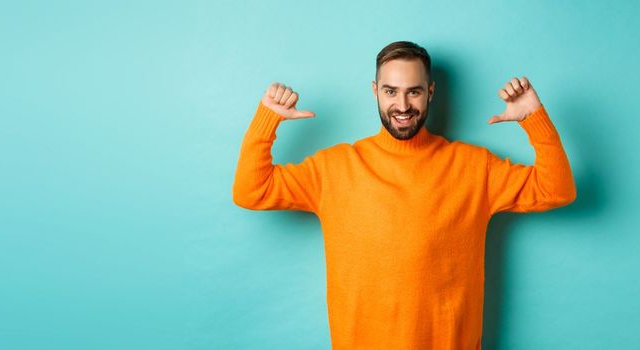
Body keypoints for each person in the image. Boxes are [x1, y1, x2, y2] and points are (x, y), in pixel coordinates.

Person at [232, 41, 576, 349]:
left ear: (430, 91)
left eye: (413, 92)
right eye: (390, 91)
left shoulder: (475, 167)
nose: (402, 104)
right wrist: (267, 121)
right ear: (375, 91)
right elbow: (251, 191)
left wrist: (534, 119)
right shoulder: (334, 168)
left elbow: (556, 189)